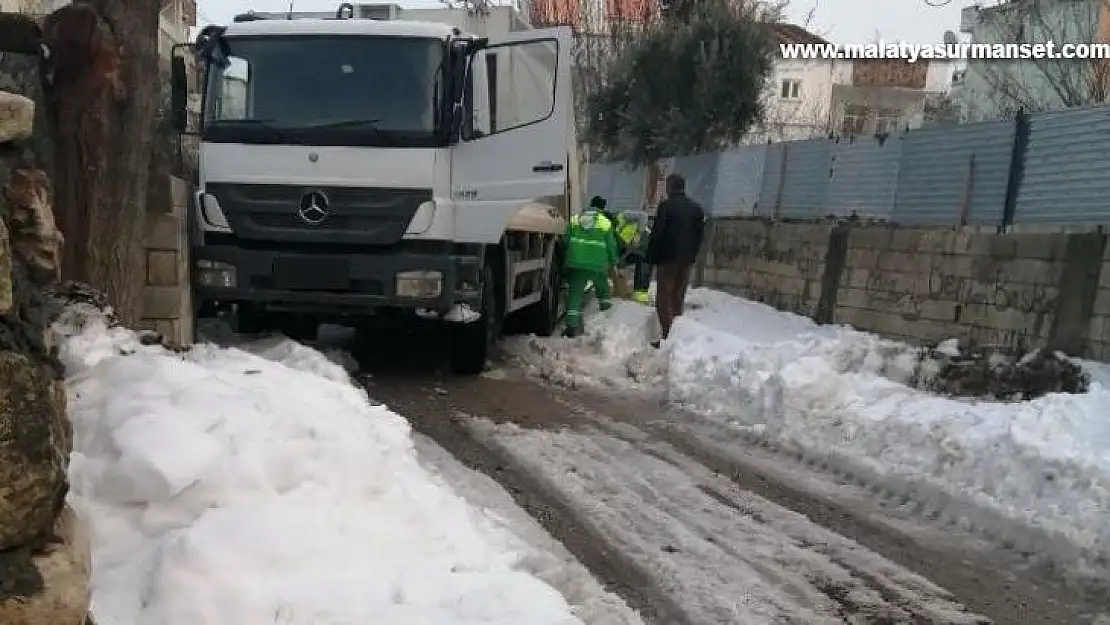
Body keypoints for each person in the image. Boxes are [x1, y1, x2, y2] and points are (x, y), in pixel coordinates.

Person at [645, 173, 705, 347]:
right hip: (686, 261)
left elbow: (658, 233)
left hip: (667, 259)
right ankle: (675, 337)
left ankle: (667, 336)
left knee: (664, 297)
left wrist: (650, 257)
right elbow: (699, 235)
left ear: (671, 187)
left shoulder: (666, 206)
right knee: (678, 297)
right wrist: (692, 255)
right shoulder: (696, 208)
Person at [563, 200, 619, 338]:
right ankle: (606, 316)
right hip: (598, 264)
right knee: (603, 289)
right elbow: (611, 245)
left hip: (576, 263)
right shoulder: (605, 223)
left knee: (575, 295)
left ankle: (571, 326)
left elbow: (565, 240)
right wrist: (614, 261)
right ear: (601, 209)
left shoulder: (575, 219)